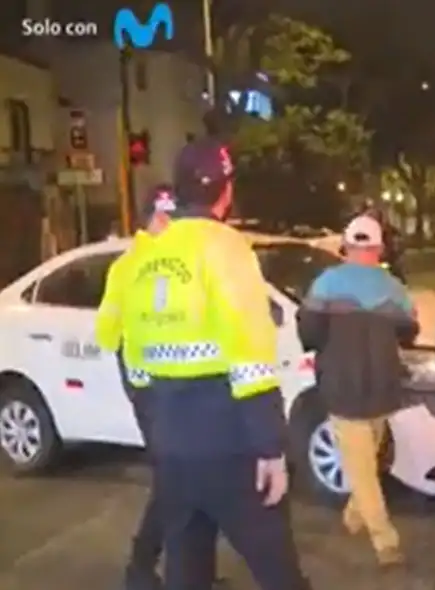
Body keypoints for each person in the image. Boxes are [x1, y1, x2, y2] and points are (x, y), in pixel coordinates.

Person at [114, 139, 311, 590]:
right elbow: (251, 353)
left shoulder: (146, 256)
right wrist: (270, 448)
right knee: (278, 570)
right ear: (226, 191)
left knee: (187, 569)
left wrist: (161, 434)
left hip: (173, 449)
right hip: (229, 446)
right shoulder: (227, 248)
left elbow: (136, 366)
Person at [96, 184, 226, 590]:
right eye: (170, 217)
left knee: (188, 479)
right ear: (157, 217)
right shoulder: (132, 265)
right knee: (175, 481)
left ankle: (190, 574)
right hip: (154, 388)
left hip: (176, 386)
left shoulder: (153, 260)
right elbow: (106, 333)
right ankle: (146, 569)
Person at [296, 215, 418, 567]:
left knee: (361, 465)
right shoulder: (394, 287)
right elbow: (409, 329)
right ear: (378, 248)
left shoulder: (326, 283)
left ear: (345, 247)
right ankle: (354, 517)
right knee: (368, 460)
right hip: (383, 384)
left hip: (341, 384)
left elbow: (309, 332)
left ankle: (385, 542)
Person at [360, 202, 405, 282]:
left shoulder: (389, 231)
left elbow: (396, 244)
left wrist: (393, 251)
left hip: (386, 260)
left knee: (396, 271)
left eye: (374, 218)